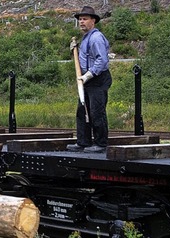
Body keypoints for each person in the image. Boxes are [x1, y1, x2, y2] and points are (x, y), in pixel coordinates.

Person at [67, 6, 112, 153]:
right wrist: (74, 51)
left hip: (97, 79)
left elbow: (102, 60)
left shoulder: (96, 38)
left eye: (85, 19)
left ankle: (100, 144)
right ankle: (83, 142)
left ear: (93, 21)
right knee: (82, 111)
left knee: (96, 111)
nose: (81, 22)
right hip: (86, 80)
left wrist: (88, 75)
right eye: (80, 19)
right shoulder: (86, 38)